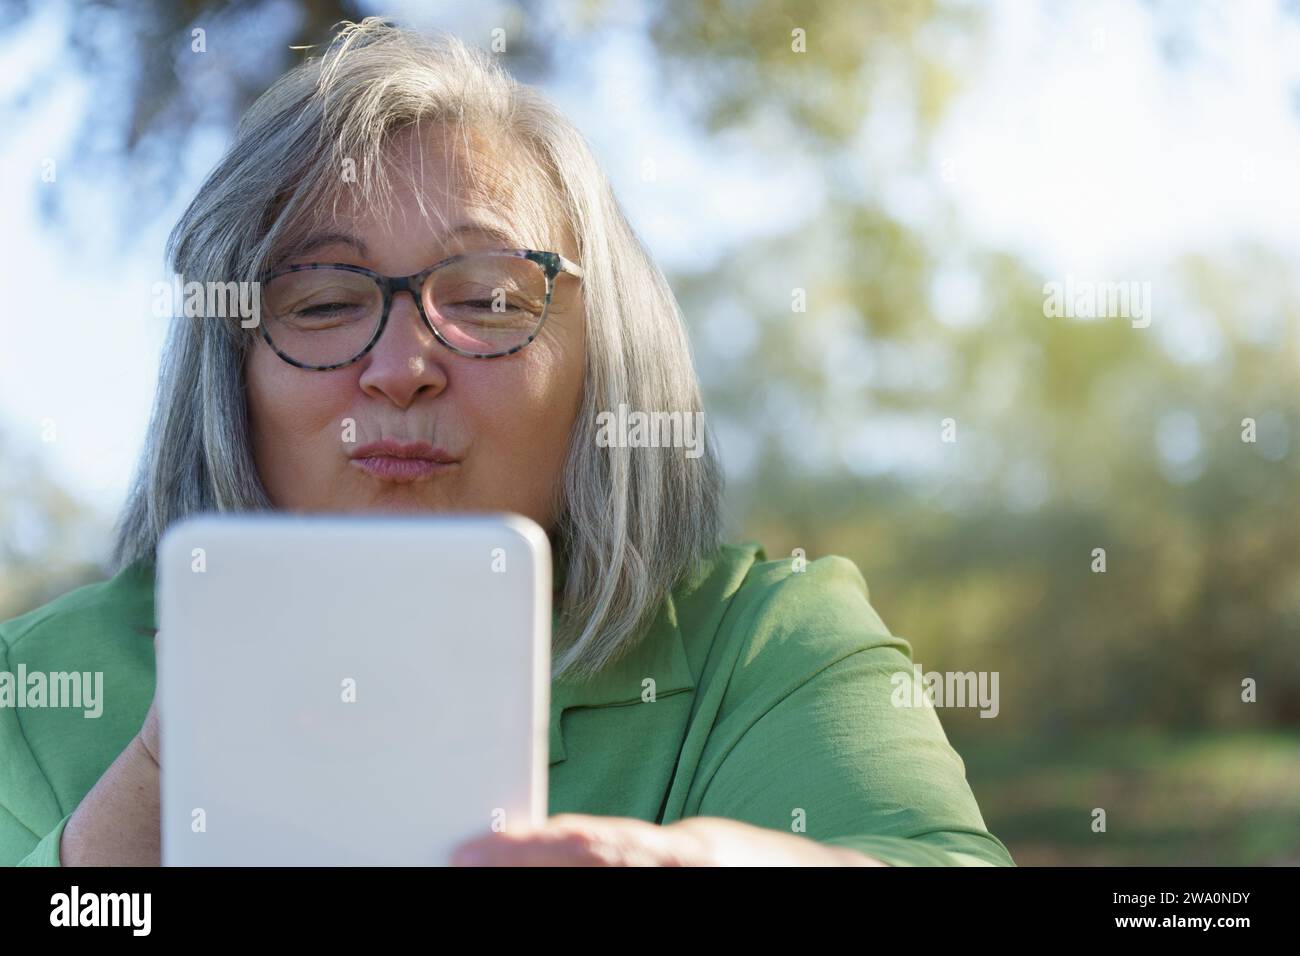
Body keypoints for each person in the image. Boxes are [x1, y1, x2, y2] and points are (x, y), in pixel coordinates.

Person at [0, 19, 1013, 867]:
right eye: (319, 302)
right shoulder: (41, 684)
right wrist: (159, 785)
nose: (402, 367)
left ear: (605, 355)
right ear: (226, 369)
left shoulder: (761, 641)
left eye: (486, 300)